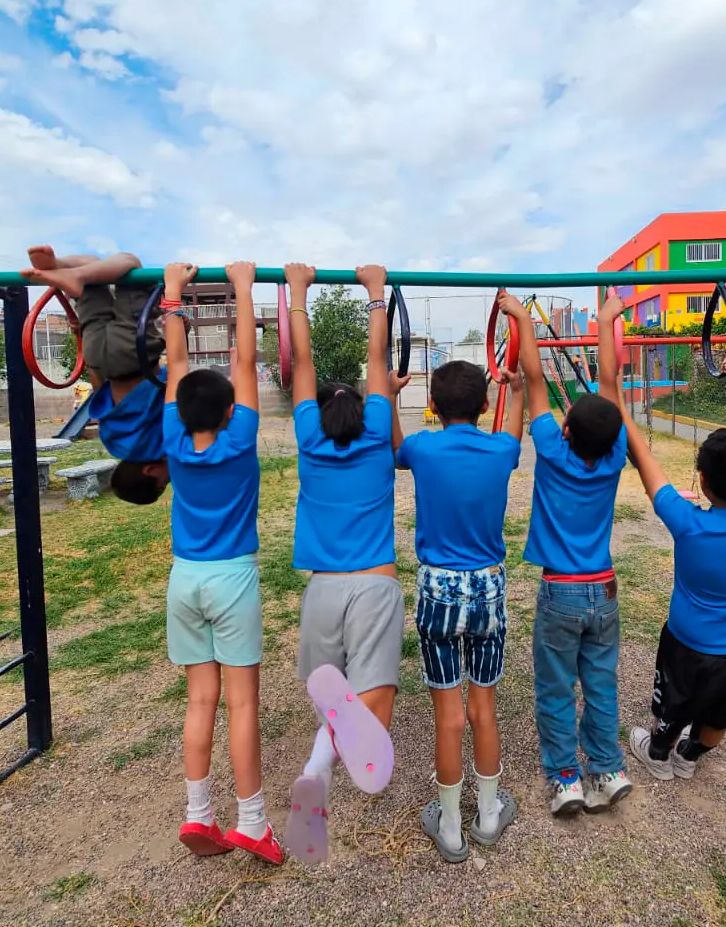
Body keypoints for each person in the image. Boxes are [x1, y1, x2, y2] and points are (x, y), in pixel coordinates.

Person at [611, 320, 726, 782]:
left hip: (690, 644)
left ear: (703, 483)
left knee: (674, 701)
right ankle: (690, 757)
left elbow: (645, 461)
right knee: (719, 716)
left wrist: (616, 399)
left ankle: (660, 750)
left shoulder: (691, 525)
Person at [158, 260, 282, 864]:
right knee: (241, 703)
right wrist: (242, 289)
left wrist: (176, 290)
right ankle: (252, 822)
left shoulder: (174, 440)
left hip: (184, 579)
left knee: (199, 700)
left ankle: (198, 815)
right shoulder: (238, 440)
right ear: (233, 411)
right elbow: (243, 363)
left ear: (180, 411)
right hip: (232, 578)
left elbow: (178, 365)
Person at [282, 262, 401, 865]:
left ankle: (317, 770)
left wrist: (297, 295)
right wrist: (376, 293)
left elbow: (301, 368)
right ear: (361, 409)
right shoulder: (379, 431)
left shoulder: (309, 440)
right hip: (376, 586)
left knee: (339, 702)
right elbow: (376, 362)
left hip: (323, 590)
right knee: (368, 701)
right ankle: (323, 761)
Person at [395, 331, 526, 861]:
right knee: (484, 708)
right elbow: (513, 430)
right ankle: (489, 814)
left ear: (432, 407)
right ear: (485, 405)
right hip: (488, 586)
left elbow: (393, 446)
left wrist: (386, 390)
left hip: (438, 587)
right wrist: (514, 392)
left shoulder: (422, 447)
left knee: (448, 714)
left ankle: (450, 826)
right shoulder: (502, 450)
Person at [517, 292, 635, 817]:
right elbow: (609, 387)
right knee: (601, 682)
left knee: (556, 685)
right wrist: (609, 321)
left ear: (565, 431)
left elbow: (536, 381)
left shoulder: (550, 449)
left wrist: (521, 319)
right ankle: (608, 770)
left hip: (561, 590)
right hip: (604, 589)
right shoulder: (614, 459)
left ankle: (566, 778)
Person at [23, 247, 168, 504]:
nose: (169, 477)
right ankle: (57, 265)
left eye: (164, 481)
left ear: (150, 471)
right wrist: (83, 340)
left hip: (134, 356)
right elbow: (100, 392)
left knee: (131, 263)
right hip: (98, 359)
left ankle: (73, 274)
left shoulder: (160, 446)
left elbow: (172, 388)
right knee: (93, 272)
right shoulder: (112, 442)